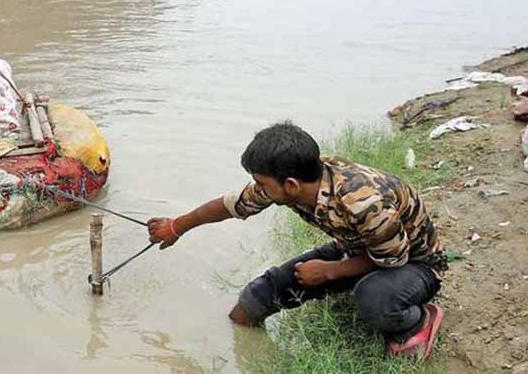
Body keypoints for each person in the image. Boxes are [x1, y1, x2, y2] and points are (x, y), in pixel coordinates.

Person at [147, 122, 447, 359]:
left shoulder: (364, 202)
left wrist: (330, 271)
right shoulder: (294, 181)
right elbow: (229, 206)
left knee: (373, 297)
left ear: (290, 186)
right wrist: (176, 226)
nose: (257, 188)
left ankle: (416, 322)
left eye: (261, 183)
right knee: (255, 299)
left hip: (413, 264)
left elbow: (392, 260)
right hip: (355, 248)